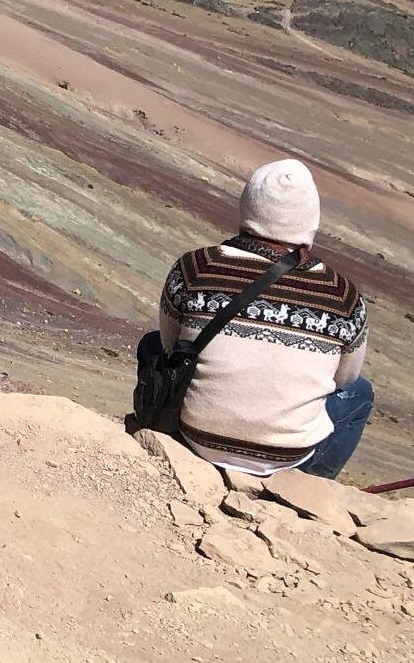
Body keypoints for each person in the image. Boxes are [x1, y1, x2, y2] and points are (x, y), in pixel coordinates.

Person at [142, 158, 371, 478]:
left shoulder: (195, 267)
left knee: (151, 345)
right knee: (360, 393)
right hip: (289, 456)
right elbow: (344, 379)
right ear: (310, 220)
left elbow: (170, 347)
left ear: (248, 206)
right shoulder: (344, 296)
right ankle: (309, 485)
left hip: (197, 439)